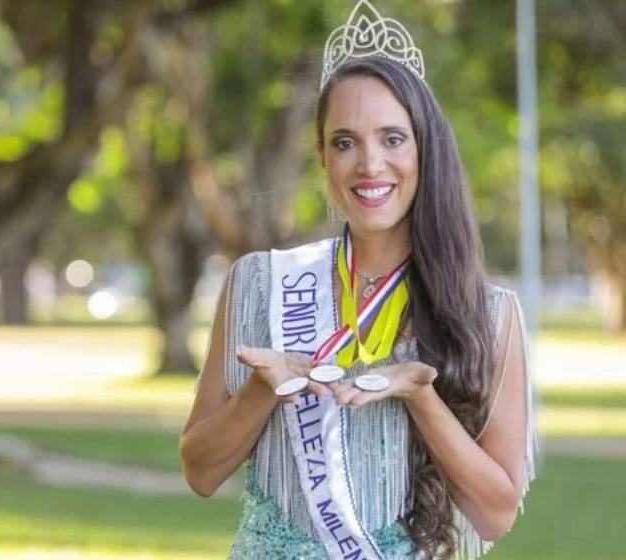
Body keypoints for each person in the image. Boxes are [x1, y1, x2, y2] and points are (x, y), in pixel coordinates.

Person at [179, 2, 537, 558]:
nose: (369, 164)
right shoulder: (260, 284)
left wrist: (422, 396)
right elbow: (200, 472)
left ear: (425, 149)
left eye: (393, 139)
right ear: (322, 155)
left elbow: (495, 515)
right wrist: (261, 390)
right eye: (345, 142)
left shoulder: (487, 314)